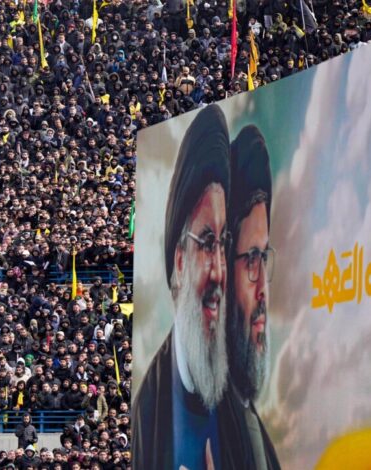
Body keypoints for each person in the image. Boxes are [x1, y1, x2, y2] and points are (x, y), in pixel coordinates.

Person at [132, 104, 232, 470]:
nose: (219, 270)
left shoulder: (235, 405)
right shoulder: (148, 414)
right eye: (206, 243)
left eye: (223, 243)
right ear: (178, 260)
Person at [218, 126, 281, 469]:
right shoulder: (201, 419)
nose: (262, 291)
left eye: (264, 257)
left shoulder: (250, 420)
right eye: (251, 259)